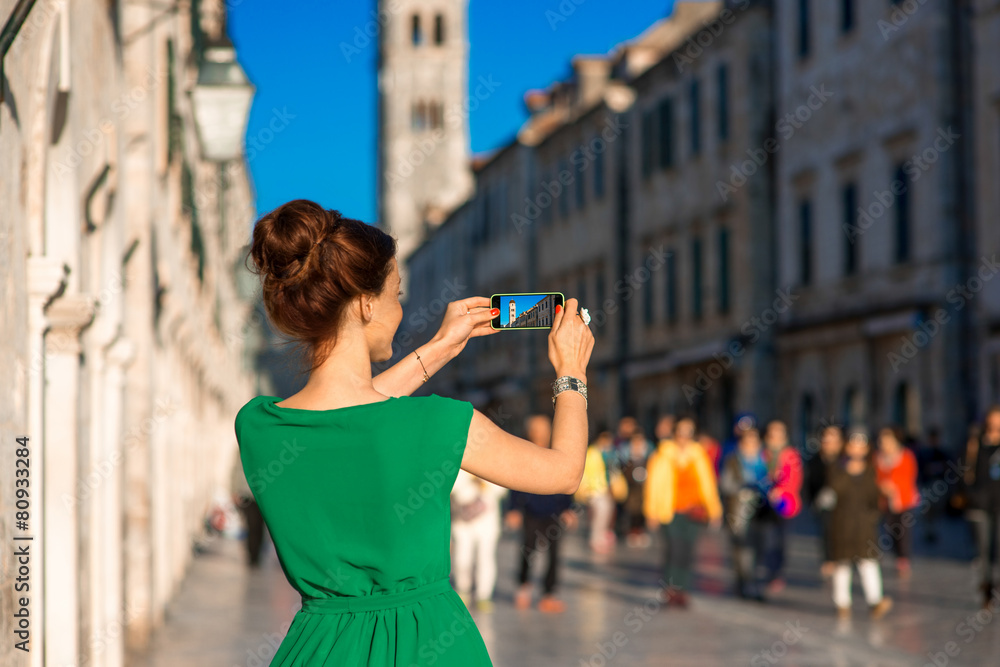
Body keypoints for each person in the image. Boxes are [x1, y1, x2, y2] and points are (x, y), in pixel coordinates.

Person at [234, 200, 594, 665]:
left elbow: (349, 413)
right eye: (396, 296)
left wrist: (441, 348)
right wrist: (571, 373)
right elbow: (564, 473)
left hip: (317, 648)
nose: (400, 310)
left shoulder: (259, 425)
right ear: (366, 303)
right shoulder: (438, 423)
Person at [645, 417, 723, 607]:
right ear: (675, 433)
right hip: (669, 511)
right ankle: (670, 589)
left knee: (688, 551)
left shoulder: (699, 455)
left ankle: (683, 589)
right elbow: (652, 485)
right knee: (673, 550)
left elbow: (708, 484)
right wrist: (650, 511)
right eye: (681, 431)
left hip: (693, 512)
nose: (684, 436)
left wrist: (714, 510)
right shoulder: (661, 455)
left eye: (689, 432)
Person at [506, 415, 578, 613]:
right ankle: (523, 586)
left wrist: (568, 508)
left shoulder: (556, 452)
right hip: (531, 511)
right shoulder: (523, 452)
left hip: (553, 512)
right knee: (527, 550)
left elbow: (566, 481)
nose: (540, 434)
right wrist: (513, 509)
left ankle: (549, 593)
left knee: (555, 554)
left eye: (543, 429)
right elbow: (514, 481)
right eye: (536, 430)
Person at [827, 428, 893, 620]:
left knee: (868, 562)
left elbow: (873, 496)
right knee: (842, 564)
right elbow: (834, 491)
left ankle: (875, 600)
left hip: (864, 524)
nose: (856, 450)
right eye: (852, 445)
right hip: (842, 523)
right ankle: (842, 603)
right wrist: (847, 470)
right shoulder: (838, 468)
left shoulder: (871, 469)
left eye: (861, 445)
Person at [719, 426, 768, 600]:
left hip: (762, 509)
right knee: (742, 548)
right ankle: (745, 583)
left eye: (755, 441)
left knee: (760, 547)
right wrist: (742, 487)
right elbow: (725, 484)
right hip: (739, 508)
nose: (751, 445)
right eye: (747, 441)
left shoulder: (765, 460)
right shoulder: (733, 460)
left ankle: (757, 583)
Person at [451, 469, 507, 612]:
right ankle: (463, 590)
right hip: (463, 520)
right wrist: (471, 484)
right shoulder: (462, 463)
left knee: (485, 558)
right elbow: (453, 487)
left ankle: (484, 595)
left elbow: (502, 488)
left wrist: (484, 484)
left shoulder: (494, 462)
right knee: (462, 557)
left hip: (488, 521)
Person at [759, 420, 803, 595]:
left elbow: (794, 478)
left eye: (779, 433)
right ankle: (767, 569)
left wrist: (780, 489)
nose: (775, 437)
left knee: (780, 539)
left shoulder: (791, 454)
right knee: (766, 537)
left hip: (785, 504)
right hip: (765, 502)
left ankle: (776, 573)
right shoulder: (763, 453)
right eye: (772, 433)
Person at [964, 406, 1000, 609]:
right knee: (984, 548)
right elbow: (965, 470)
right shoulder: (975, 443)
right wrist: (970, 495)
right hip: (980, 504)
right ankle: (986, 589)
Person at [875, 426, 920, 579]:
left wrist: (893, 486)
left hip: (904, 500)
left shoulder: (906, 456)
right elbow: (875, 476)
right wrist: (882, 487)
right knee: (890, 530)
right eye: (882, 440)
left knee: (903, 531)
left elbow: (909, 477)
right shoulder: (878, 458)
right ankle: (896, 555)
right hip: (884, 501)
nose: (884, 443)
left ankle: (903, 560)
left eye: (887, 439)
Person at [803, 425, 845, 577]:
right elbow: (810, 482)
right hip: (823, 503)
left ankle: (841, 558)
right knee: (827, 530)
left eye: (833, 437)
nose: (829, 441)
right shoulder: (815, 460)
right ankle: (829, 559)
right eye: (826, 437)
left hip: (845, 505)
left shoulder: (846, 459)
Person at [575, 431, 616, 554]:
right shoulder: (592, 453)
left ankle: (601, 537)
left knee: (605, 514)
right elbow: (587, 472)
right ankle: (595, 539)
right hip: (594, 490)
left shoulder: (604, 453)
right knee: (599, 515)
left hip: (602, 489)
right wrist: (588, 490)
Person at [230, 456, 266, 567]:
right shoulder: (241, 451)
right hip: (247, 495)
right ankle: (252, 556)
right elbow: (236, 471)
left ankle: (257, 555)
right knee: (252, 525)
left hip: (263, 496)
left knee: (260, 527)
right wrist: (235, 491)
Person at [916, 427, 949, 543]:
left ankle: (934, 531)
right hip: (927, 485)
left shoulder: (942, 453)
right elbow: (919, 469)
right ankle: (928, 531)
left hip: (939, 486)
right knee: (927, 510)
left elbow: (949, 468)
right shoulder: (924, 453)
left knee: (936, 510)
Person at [622, 430, 654, 547]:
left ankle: (640, 531)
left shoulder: (649, 452)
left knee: (643, 509)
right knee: (632, 509)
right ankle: (632, 531)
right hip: (631, 486)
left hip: (644, 486)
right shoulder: (626, 452)